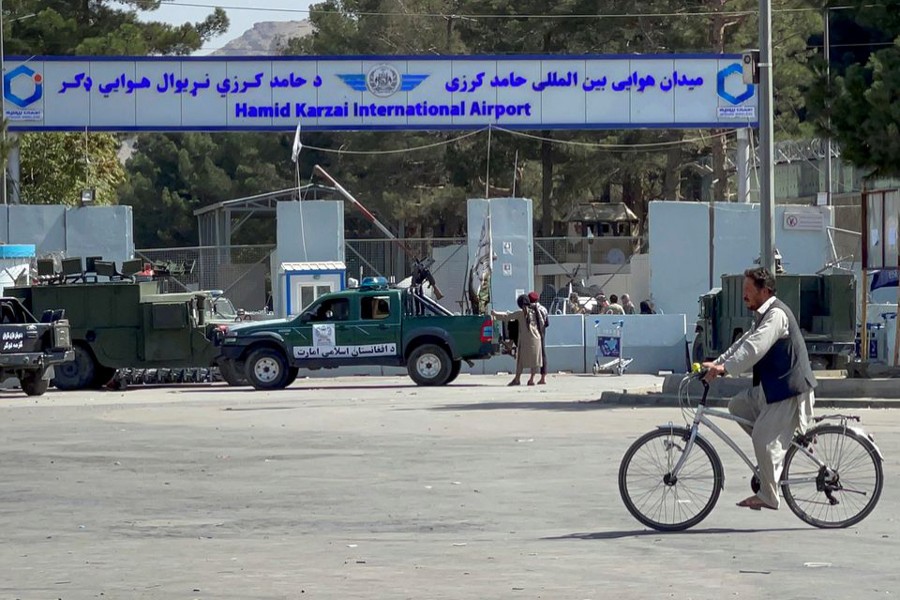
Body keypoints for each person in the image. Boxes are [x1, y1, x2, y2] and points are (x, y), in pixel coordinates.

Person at [702, 267, 816, 511]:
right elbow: (742, 343)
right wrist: (718, 363)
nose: (744, 296)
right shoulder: (762, 315)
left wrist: (725, 369)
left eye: (748, 291)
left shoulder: (776, 316)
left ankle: (769, 494)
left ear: (764, 291)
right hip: (770, 390)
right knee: (737, 406)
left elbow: (755, 347)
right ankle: (774, 453)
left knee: (763, 440)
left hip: (788, 391)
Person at [492, 294, 543, 386]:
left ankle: (517, 379)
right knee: (535, 362)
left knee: (520, 361)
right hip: (536, 339)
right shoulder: (535, 312)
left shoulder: (520, 313)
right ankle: (531, 380)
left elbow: (507, 316)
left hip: (525, 340)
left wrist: (495, 314)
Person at [528, 291, 550, 385]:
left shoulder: (528, 310)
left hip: (532, 333)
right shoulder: (543, 309)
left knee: (534, 355)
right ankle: (543, 378)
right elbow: (547, 323)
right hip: (542, 333)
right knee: (543, 354)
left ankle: (532, 378)